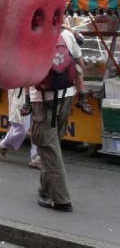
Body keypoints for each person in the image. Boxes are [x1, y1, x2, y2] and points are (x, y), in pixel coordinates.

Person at [25, 23, 80, 212]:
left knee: (48, 147)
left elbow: (24, 73)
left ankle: (61, 199)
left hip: (43, 99)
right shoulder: (67, 34)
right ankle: (46, 188)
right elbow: (80, 65)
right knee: (53, 145)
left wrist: (25, 100)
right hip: (67, 95)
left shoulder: (30, 37)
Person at [0, 87, 39, 168]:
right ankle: (3, 143)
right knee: (21, 128)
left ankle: (35, 157)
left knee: (38, 125)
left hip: (38, 91)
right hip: (21, 91)